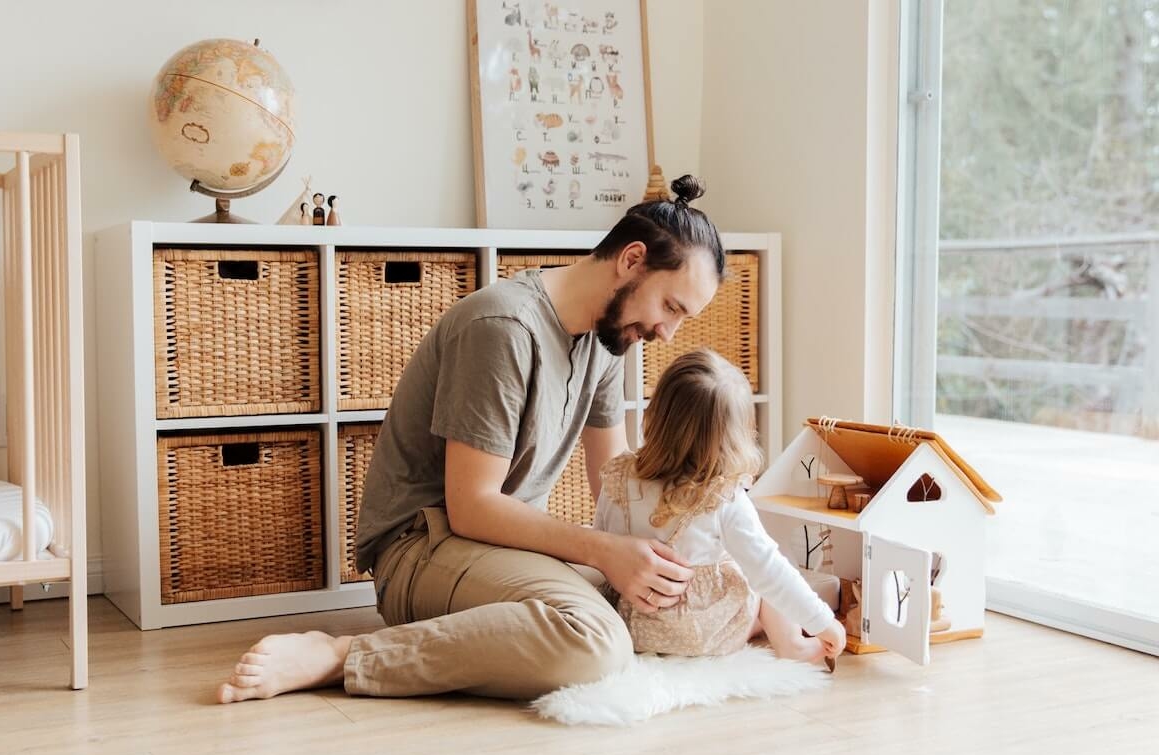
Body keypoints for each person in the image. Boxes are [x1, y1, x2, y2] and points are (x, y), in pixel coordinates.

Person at [218, 175, 726, 703]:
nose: (667, 333)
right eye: (671, 307)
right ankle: (345, 655)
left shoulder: (605, 339)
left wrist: (687, 547)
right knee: (597, 642)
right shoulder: (504, 327)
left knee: (663, 598)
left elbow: (616, 484)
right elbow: (471, 507)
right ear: (632, 260)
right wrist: (606, 554)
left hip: (504, 549)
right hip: (423, 546)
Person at [594, 349, 846, 667]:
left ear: (655, 414)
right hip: (702, 634)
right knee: (761, 571)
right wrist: (824, 622)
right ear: (735, 439)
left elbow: (602, 539)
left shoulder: (618, 477)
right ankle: (792, 643)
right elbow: (771, 572)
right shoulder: (724, 498)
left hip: (634, 624)